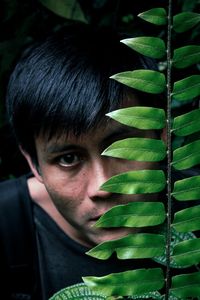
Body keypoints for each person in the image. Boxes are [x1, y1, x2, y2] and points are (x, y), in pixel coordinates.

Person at [0, 23, 164, 299]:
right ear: (33, 164)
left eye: (121, 147)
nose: (102, 187)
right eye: (68, 159)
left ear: (162, 137)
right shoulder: (7, 228)